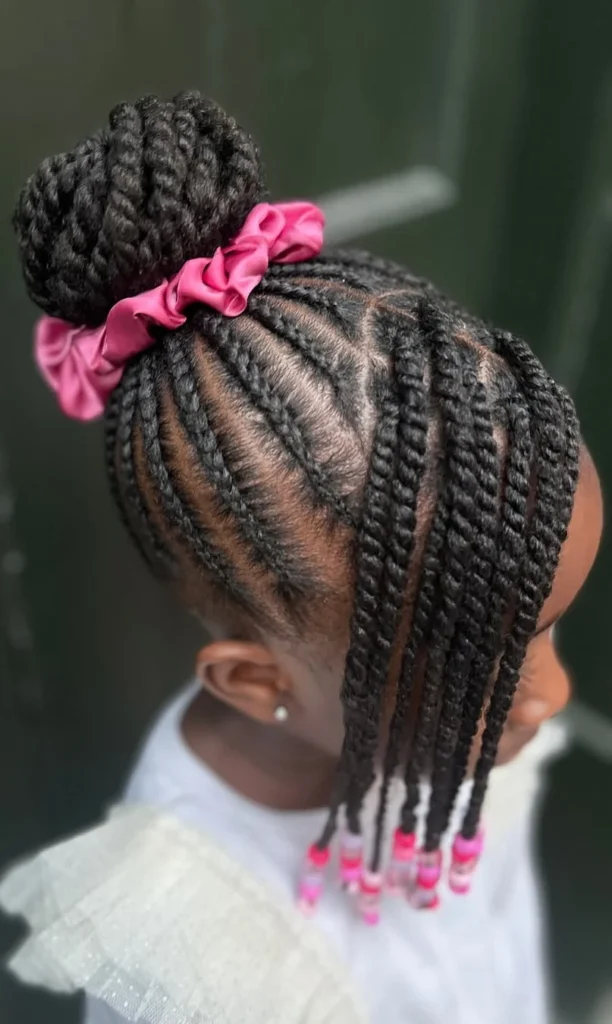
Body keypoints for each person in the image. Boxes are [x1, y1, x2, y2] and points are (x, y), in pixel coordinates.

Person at [0, 91, 603, 1024]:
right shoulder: (194, 954)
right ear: (253, 682)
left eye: (548, 628)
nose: (554, 694)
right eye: (481, 667)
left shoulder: (465, 743)